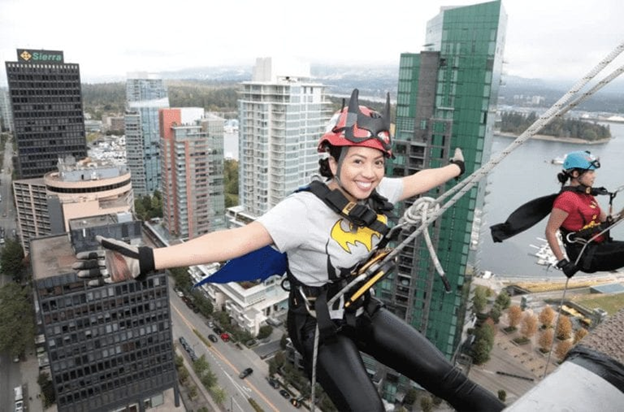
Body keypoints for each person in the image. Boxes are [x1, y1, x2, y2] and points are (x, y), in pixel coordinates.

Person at [74, 89, 504, 412]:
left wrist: (456, 168)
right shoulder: (303, 210)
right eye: (357, 160)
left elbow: (416, 182)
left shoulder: (377, 191)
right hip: (318, 324)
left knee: (443, 374)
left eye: (377, 162)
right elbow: (233, 241)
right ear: (332, 161)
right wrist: (147, 260)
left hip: (362, 308)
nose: (370, 173)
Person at [546, 150, 624, 278]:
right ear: (576, 174)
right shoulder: (567, 199)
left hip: (599, 247)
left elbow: (607, 222)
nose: (594, 176)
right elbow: (550, 231)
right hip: (585, 255)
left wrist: (622, 213)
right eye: (590, 172)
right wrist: (563, 263)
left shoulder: (587, 196)